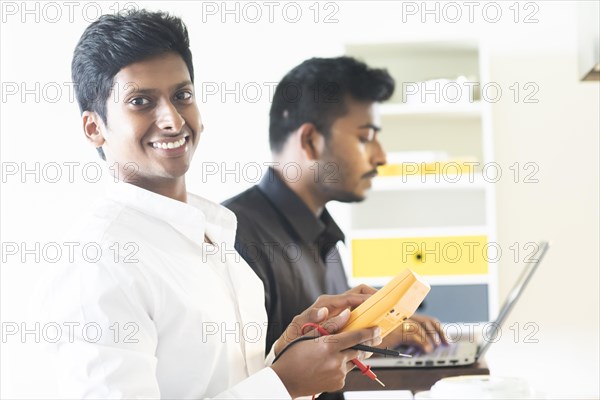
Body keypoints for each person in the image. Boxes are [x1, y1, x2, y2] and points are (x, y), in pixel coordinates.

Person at [40, 10, 382, 399]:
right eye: (140, 101)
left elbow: (225, 384)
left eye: (182, 95)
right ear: (94, 128)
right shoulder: (100, 259)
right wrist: (283, 384)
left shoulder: (213, 232)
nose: (171, 119)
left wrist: (288, 352)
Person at [224, 57, 448, 355]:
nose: (381, 157)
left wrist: (377, 334)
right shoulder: (231, 237)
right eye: (365, 137)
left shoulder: (324, 234)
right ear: (311, 141)